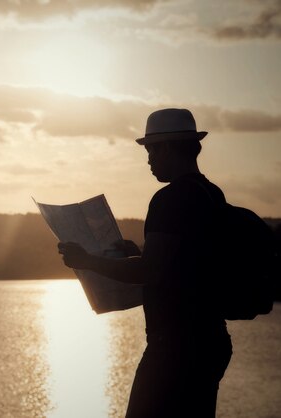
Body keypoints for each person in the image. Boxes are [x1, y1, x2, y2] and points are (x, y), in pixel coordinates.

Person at [58, 108, 232, 418]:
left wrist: (87, 261)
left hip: (174, 348)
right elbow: (184, 263)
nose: (149, 159)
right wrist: (137, 250)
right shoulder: (210, 193)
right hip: (211, 340)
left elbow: (150, 271)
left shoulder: (169, 199)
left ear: (165, 147)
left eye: (150, 150)